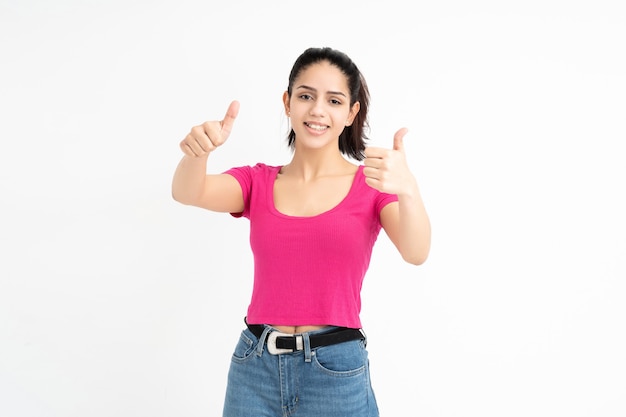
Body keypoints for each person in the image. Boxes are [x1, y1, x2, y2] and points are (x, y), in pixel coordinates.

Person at [171, 46, 431, 417]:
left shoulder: (371, 185)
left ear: (351, 113)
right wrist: (197, 153)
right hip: (255, 367)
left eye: (335, 100)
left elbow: (416, 250)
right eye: (306, 96)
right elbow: (188, 192)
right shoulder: (257, 181)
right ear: (288, 102)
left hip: (335, 370)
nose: (317, 110)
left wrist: (409, 188)